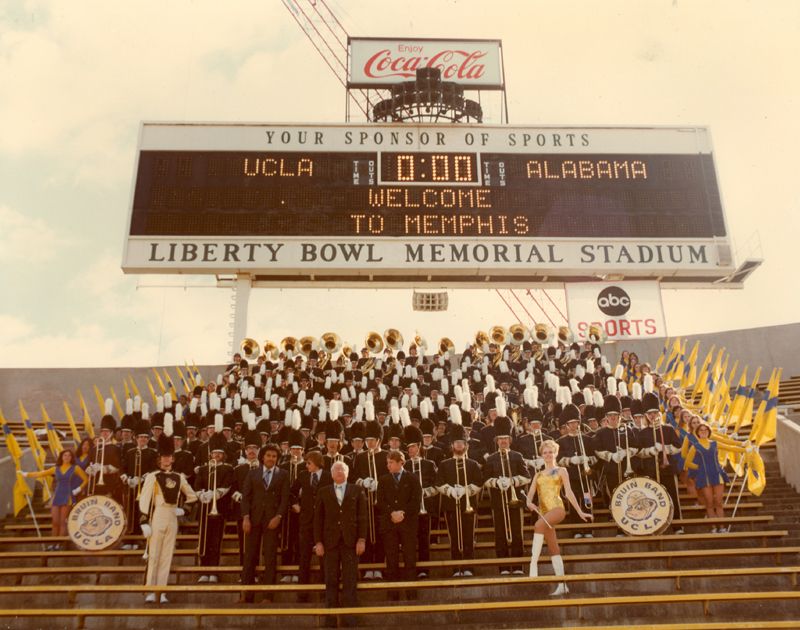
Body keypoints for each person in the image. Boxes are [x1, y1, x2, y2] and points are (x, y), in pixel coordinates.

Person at [525, 439, 594, 595]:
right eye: (545, 453)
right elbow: (529, 496)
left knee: (537, 526)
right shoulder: (537, 475)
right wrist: (529, 504)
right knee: (553, 548)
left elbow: (569, 493)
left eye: (550, 452)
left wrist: (580, 512)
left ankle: (533, 564)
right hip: (544, 512)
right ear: (541, 455)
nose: (548, 455)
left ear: (555, 453)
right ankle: (562, 584)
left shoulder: (561, 470)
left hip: (557, 509)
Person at [139, 434, 197, 603]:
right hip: (158, 515)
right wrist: (144, 523)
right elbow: (144, 500)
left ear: (173, 459)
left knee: (167, 556)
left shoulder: (179, 477)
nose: (166, 459)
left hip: (172, 516)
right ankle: (150, 590)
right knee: (154, 554)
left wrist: (184, 510)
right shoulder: (153, 476)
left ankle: (161, 591)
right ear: (160, 459)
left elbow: (192, 497)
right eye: (164, 456)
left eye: (169, 456)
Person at [314, 460, 368, 628]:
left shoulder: (357, 490)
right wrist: (318, 542)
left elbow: (363, 517)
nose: (339, 471)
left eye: (342, 469)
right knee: (330, 581)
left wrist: (362, 539)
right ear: (331, 474)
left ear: (347, 473)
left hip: (351, 543)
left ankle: (350, 620)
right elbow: (318, 519)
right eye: (336, 469)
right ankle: (330, 620)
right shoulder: (323, 492)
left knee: (350, 581)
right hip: (329, 543)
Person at [237, 443, 290, 604]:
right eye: (268, 456)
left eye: (274, 456)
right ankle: (246, 596)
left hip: (272, 521)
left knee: (271, 558)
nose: (271, 459)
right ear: (262, 457)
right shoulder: (253, 473)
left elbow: (285, 497)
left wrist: (278, 517)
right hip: (253, 520)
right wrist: (246, 518)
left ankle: (267, 596)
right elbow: (246, 497)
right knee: (249, 558)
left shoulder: (283, 474)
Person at [683, 418, 753, 533]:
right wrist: (700, 468)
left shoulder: (715, 443)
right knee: (709, 503)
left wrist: (747, 450)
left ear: (709, 432)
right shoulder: (695, 446)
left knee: (719, 502)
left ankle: (722, 528)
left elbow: (730, 447)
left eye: (706, 430)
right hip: (704, 477)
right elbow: (688, 463)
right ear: (698, 432)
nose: (704, 432)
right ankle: (714, 528)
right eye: (701, 430)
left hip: (717, 474)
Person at [482, 415, 531, 575]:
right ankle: (503, 567)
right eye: (500, 439)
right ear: (496, 440)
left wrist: (512, 481)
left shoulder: (517, 456)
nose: (503, 441)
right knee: (500, 533)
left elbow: (527, 477)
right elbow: (485, 480)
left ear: (510, 440)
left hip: (515, 500)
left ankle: (517, 567)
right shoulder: (491, 458)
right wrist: (496, 483)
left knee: (517, 532)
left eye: (506, 439)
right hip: (498, 500)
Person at [19, 449, 87, 550]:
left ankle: (59, 545)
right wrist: (25, 474)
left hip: (68, 496)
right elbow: (41, 474)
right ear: (61, 457)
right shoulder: (56, 468)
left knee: (63, 522)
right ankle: (53, 544)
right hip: (57, 496)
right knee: (55, 523)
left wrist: (78, 489)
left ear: (72, 458)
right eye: (65, 455)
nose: (67, 457)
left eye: (69, 456)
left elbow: (86, 479)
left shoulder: (75, 468)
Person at [376, 450, 422, 600]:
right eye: (387, 463)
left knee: (410, 559)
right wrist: (392, 514)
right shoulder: (383, 480)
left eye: (391, 463)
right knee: (391, 560)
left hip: (407, 524)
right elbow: (381, 502)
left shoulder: (413, 478)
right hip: (390, 525)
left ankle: (412, 594)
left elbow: (416, 500)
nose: (387, 466)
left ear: (400, 463)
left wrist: (402, 513)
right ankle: (393, 595)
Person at [291, 450, 333, 602]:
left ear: (317, 463)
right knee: (304, 557)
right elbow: (292, 493)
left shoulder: (329, 475)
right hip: (306, 521)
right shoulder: (303, 475)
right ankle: (302, 595)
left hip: (324, 522)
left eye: (309, 463)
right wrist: (295, 505)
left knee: (324, 558)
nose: (306, 465)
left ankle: (324, 594)